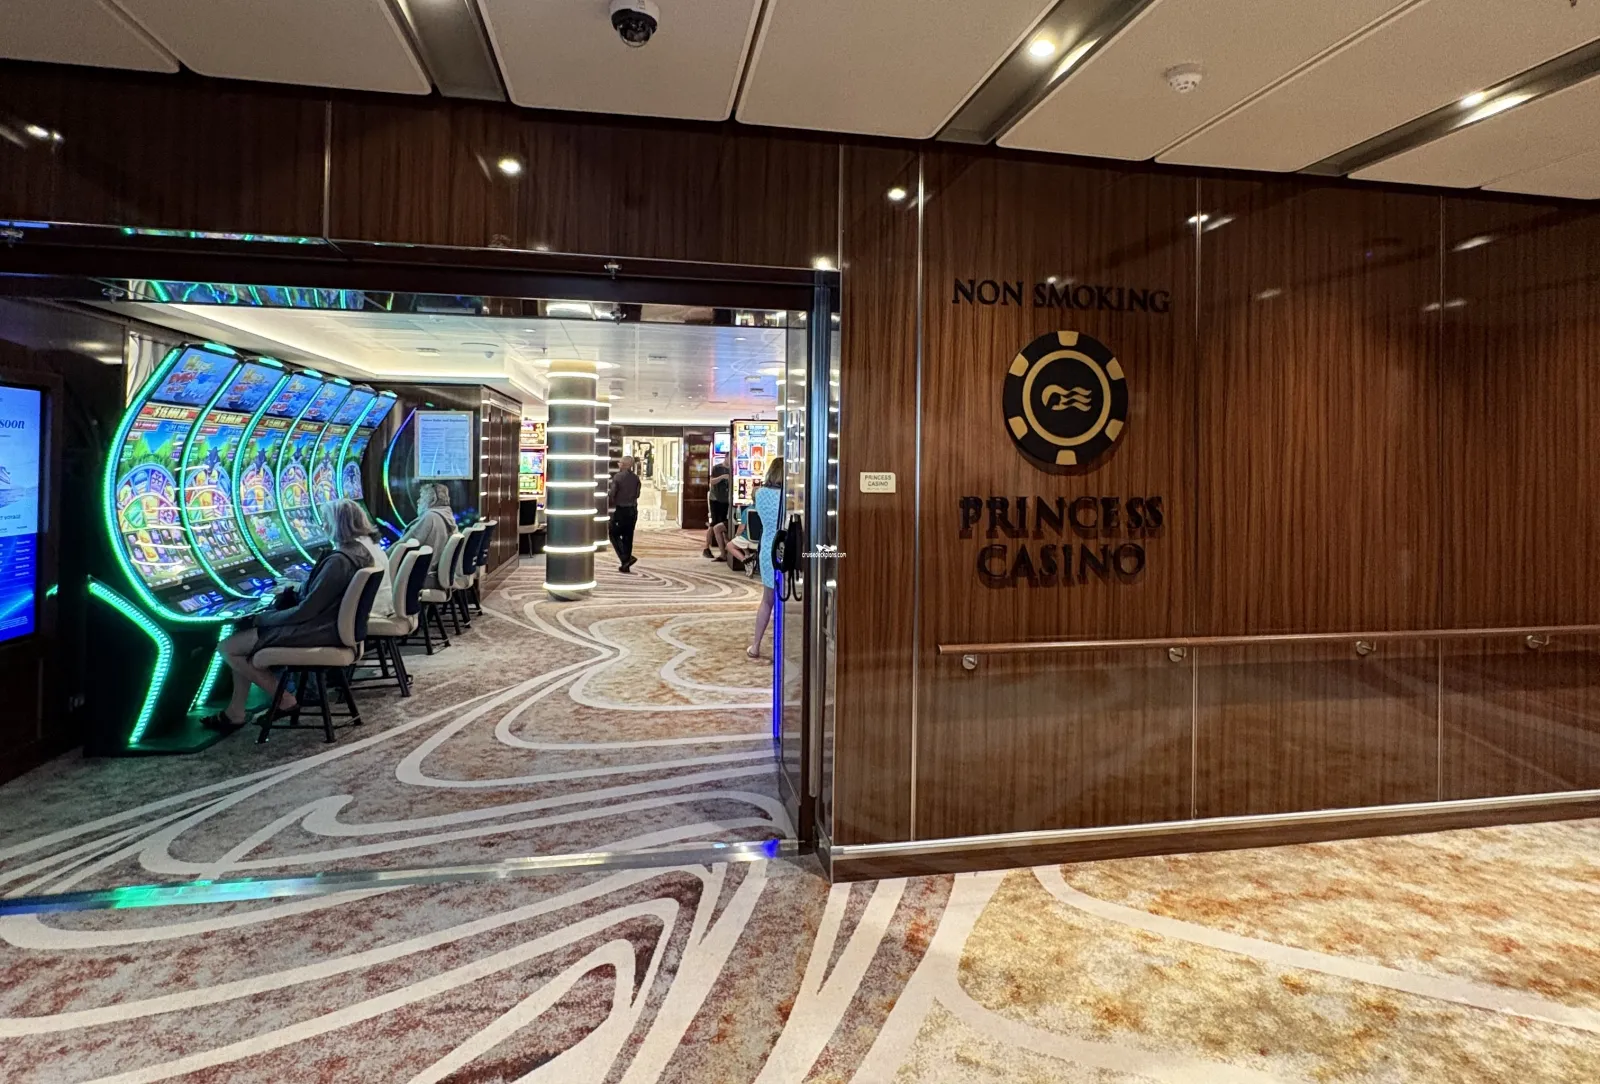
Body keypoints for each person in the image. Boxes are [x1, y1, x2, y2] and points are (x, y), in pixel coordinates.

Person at [205, 499, 376, 729]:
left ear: (339, 524)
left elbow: (306, 611)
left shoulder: (339, 561)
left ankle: (284, 700)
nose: (322, 525)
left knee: (228, 647)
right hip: (330, 627)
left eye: (326, 520)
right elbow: (319, 598)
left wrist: (263, 618)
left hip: (315, 630)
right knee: (242, 640)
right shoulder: (360, 553)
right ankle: (235, 711)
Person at [748, 457, 783, 660]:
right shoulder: (789, 496)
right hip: (786, 547)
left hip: (767, 546)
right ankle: (783, 648)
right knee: (786, 599)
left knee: (767, 600)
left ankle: (756, 645)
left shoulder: (759, 493)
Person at [398, 482, 458, 588]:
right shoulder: (447, 516)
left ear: (433, 500)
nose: (418, 501)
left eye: (421, 497)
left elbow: (401, 547)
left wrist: (380, 558)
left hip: (422, 577)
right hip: (436, 575)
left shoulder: (430, 517)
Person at [351, 504, 394, 617]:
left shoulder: (352, 552)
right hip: (383, 605)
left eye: (327, 521)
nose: (323, 526)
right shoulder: (372, 543)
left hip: (366, 612)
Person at [608, 455, 641, 573]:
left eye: (620, 462)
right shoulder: (636, 478)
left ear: (625, 465)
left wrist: (612, 497)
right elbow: (637, 494)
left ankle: (625, 558)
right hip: (633, 510)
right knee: (628, 537)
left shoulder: (618, 477)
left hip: (621, 510)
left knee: (613, 533)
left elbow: (612, 494)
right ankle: (625, 564)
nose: (618, 464)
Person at [703, 459, 731, 559]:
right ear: (726, 457)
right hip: (715, 499)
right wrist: (722, 477)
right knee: (714, 523)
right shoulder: (717, 468)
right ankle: (706, 547)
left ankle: (725, 550)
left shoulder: (733, 468)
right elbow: (711, 481)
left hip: (726, 500)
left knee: (723, 523)